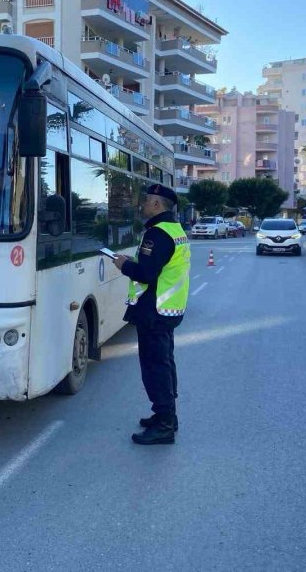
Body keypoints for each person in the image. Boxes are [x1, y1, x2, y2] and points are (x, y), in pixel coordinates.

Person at [113, 183, 191, 445]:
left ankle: (165, 425)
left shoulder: (157, 234)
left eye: (146, 201)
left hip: (154, 311)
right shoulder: (175, 229)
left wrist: (124, 265)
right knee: (165, 362)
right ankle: (166, 415)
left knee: (155, 366)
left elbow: (146, 274)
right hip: (167, 310)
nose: (142, 205)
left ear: (157, 204)